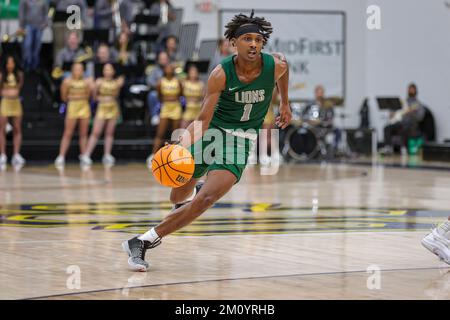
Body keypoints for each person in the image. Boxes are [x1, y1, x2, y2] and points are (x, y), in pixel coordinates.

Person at [123, 10, 291, 271]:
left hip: (239, 142)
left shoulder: (274, 65)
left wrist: (286, 104)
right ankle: (193, 191)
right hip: (212, 134)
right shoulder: (220, 74)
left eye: (258, 40)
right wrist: (181, 145)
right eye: (247, 39)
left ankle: (143, 241)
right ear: (234, 43)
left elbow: (285, 67)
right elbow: (202, 120)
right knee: (177, 194)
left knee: (205, 199)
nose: (254, 44)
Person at [80, 63, 124, 166]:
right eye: (106, 69)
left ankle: (107, 154)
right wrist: (102, 98)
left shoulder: (115, 83)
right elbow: (94, 97)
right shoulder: (99, 81)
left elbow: (116, 95)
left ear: (113, 71)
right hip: (102, 108)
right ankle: (86, 154)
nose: (108, 72)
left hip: (113, 108)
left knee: (109, 133)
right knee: (96, 132)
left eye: (110, 69)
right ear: (103, 71)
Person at [55, 63, 94, 167]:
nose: (78, 71)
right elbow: (63, 97)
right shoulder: (67, 81)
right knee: (68, 132)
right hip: (72, 106)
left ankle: (84, 155)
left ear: (83, 71)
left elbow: (89, 95)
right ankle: (61, 156)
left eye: (80, 69)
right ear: (72, 70)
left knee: (84, 133)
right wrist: (73, 99)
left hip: (84, 106)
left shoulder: (87, 82)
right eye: (76, 69)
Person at [146, 63, 182, 166]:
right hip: (166, 107)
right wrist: (167, 100)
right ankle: (152, 156)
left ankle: (174, 157)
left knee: (175, 134)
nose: (169, 69)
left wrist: (173, 99)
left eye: (170, 67)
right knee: (160, 133)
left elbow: (181, 94)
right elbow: (159, 96)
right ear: (164, 70)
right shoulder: (160, 82)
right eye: (167, 67)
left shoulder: (178, 81)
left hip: (176, 107)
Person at [383, 83, 426, 154]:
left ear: (416, 91)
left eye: (412, 90)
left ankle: (404, 147)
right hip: (400, 123)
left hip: (411, 125)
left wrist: (411, 112)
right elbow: (397, 113)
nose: (411, 91)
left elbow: (420, 118)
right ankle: (388, 147)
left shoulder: (418, 104)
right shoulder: (403, 102)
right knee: (387, 128)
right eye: (409, 89)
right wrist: (393, 114)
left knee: (405, 128)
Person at [0, 56, 25, 167]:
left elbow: (18, 88)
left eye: (12, 63)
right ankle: (3, 155)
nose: (10, 65)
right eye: (8, 63)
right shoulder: (1, 75)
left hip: (16, 103)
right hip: (5, 103)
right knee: (2, 129)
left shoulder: (19, 75)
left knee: (17, 128)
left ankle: (16, 154)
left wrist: (12, 93)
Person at [18, 0, 49, 72]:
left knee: (37, 46)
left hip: (39, 26)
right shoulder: (24, 1)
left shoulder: (43, 1)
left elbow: (46, 14)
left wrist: (45, 23)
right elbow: (21, 13)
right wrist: (21, 26)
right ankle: (26, 63)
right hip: (28, 25)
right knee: (27, 45)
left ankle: (35, 65)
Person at [146, 51, 170, 125]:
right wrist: (159, 86)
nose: (163, 60)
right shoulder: (154, 70)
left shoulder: (172, 69)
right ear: (158, 60)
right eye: (161, 59)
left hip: (172, 92)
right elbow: (149, 81)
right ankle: (155, 116)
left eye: (165, 59)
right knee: (152, 95)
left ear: (168, 59)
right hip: (159, 92)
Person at [180, 64, 204, 129]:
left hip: (197, 109)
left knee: (197, 134)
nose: (193, 74)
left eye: (195, 72)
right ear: (188, 73)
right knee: (182, 132)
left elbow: (204, 98)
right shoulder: (184, 83)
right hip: (187, 109)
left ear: (198, 73)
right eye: (191, 72)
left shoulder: (201, 84)